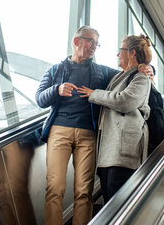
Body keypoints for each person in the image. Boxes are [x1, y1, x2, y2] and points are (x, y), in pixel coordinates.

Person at [35, 26, 151, 225]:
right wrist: (57, 89)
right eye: (90, 41)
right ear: (77, 41)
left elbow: (130, 73)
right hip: (59, 131)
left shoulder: (102, 72)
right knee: (54, 187)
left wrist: (149, 68)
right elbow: (40, 98)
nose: (93, 47)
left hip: (88, 135)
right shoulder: (55, 70)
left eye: (96, 44)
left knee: (84, 190)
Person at [77, 34, 152, 204]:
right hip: (109, 151)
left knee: (119, 201)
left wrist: (93, 94)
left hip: (124, 150)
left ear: (132, 53)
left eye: (121, 50)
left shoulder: (141, 77)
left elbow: (125, 101)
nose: (118, 54)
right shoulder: (118, 77)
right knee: (109, 199)